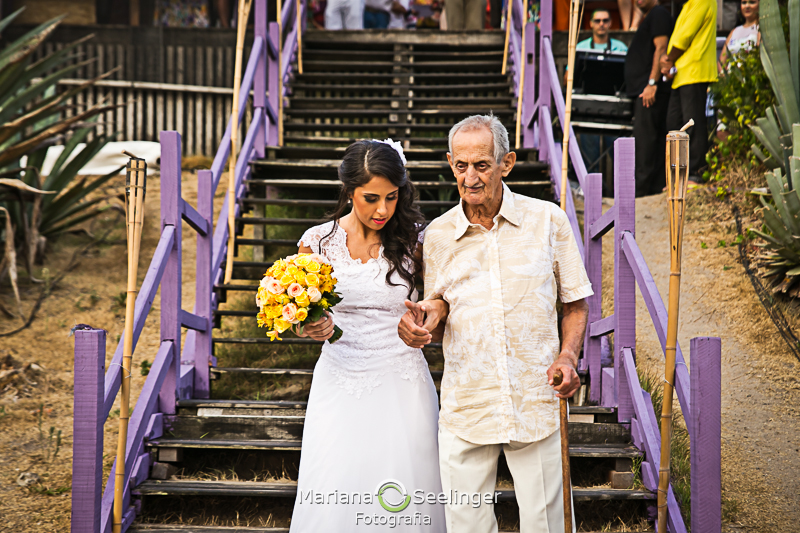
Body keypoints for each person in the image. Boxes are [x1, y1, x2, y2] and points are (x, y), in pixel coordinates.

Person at [399, 115, 592, 533]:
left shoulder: (549, 220)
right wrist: (427, 318)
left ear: (507, 163)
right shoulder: (437, 236)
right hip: (467, 403)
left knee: (547, 525)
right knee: (466, 525)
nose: (470, 177)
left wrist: (567, 356)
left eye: (482, 165)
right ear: (450, 163)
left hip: (535, 398)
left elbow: (575, 303)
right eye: (461, 165)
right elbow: (440, 306)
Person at [289, 140, 446, 532]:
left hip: (402, 379)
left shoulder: (417, 240)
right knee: (335, 480)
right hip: (339, 379)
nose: (382, 210)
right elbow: (296, 314)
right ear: (349, 191)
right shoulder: (317, 242)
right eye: (371, 198)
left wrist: (425, 321)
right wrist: (309, 325)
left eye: (392, 197)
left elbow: (441, 303)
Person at [659, 0, 718, 182]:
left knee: (692, 124)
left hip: (695, 71)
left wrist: (668, 60)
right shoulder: (687, 5)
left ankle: (696, 173)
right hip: (681, 73)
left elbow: (685, 36)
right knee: (674, 124)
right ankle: (677, 176)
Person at [625, 0, 673, 196]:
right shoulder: (650, 17)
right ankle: (649, 189)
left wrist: (652, 83)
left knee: (646, 143)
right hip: (646, 90)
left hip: (650, 92)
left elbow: (661, 48)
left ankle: (642, 191)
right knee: (648, 141)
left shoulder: (659, 13)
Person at [718, 0, 760, 70]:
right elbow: (721, 61)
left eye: (752, 2)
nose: (747, 6)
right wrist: (724, 75)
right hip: (731, 74)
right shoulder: (734, 31)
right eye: (744, 3)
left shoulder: (760, 29)